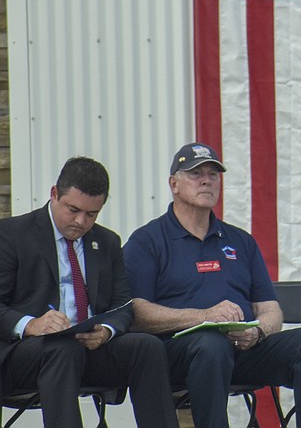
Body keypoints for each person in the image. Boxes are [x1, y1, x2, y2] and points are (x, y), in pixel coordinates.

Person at [122, 142, 301, 428]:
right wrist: (205, 317)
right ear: (173, 184)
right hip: (177, 353)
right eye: (196, 173)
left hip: (241, 349)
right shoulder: (147, 241)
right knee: (211, 344)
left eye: (213, 174)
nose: (206, 180)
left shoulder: (240, 241)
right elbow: (135, 314)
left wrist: (258, 331)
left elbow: (271, 309)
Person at [0, 156, 178, 428]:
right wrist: (31, 324)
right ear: (54, 194)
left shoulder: (107, 242)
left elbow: (123, 306)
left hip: (89, 347)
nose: (81, 221)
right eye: (73, 210)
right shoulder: (12, 234)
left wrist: (106, 330)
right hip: (28, 351)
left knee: (147, 347)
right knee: (62, 349)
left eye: (92, 214)